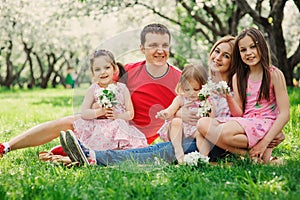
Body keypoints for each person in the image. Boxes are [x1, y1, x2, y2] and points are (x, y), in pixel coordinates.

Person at [59, 35, 285, 166]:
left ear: (234, 60)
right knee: (161, 149)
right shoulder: (202, 79)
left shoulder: (237, 83)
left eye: (226, 55)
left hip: (212, 140)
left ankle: (93, 156)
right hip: (193, 134)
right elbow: (180, 105)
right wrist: (178, 114)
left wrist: (269, 137)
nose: (218, 57)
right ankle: (83, 154)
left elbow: (252, 117)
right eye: (217, 51)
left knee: (159, 153)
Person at [0, 23, 181, 157]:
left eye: (164, 45)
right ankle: (6, 146)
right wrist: (101, 107)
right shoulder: (129, 70)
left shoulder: (179, 79)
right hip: (108, 123)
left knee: (75, 150)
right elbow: (101, 92)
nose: (160, 50)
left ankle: (67, 152)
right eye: (153, 45)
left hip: (136, 137)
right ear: (142, 48)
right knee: (70, 121)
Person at [196, 27, 290, 163]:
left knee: (225, 132)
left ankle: (259, 151)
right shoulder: (239, 78)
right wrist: (228, 96)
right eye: (243, 50)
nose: (249, 53)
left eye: (253, 47)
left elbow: (285, 114)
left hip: (265, 123)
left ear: (262, 47)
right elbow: (239, 113)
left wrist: (265, 141)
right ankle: (251, 156)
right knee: (203, 124)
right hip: (246, 122)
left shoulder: (274, 74)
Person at [69, 49, 147, 151]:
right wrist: (99, 112)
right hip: (100, 127)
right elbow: (84, 113)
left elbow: (130, 114)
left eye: (107, 67)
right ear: (92, 73)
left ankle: (116, 151)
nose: (103, 72)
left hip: (119, 126)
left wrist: (117, 116)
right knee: (98, 139)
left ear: (114, 69)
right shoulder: (93, 89)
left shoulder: (122, 88)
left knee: (129, 144)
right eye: (97, 69)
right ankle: (98, 153)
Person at [155, 64, 209, 163]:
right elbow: (170, 110)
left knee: (201, 134)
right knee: (176, 121)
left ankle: (203, 157)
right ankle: (178, 152)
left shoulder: (205, 101)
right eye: (187, 89)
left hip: (195, 129)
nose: (191, 93)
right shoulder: (181, 98)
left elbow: (210, 118)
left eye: (196, 89)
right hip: (181, 130)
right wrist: (164, 113)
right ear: (182, 87)